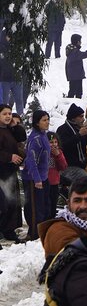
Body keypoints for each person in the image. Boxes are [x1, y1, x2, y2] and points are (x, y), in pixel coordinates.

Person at [39, 175, 87, 260]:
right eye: (77, 201)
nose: (83, 206)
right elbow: (79, 259)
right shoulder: (58, 229)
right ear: (69, 204)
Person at [21, 109, 51, 240]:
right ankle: (34, 234)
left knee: (44, 206)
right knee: (35, 208)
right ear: (37, 123)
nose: (47, 122)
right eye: (44, 120)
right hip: (33, 178)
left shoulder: (44, 135)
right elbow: (31, 160)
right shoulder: (35, 139)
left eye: (48, 119)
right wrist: (37, 179)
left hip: (43, 177)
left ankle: (40, 232)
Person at [0, 103, 25, 243]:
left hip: (10, 172)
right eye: (4, 114)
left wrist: (14, 125)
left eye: (10, 113)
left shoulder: (9, 129)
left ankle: (8, 230)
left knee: (12, 204)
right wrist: (10, 157)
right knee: (3, 204)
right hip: (1, 174)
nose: (8, 116)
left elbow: (21, 137)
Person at [57, 103, 87, 171]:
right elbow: (63, 146)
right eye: (80, 117)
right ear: (73, 118)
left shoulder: (80, 129)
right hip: (69, 167)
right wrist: (79, 135)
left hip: (82, 166)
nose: (83, 119)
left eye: (83, 116)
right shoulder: (62, 129)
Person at [64, 34, 87, 99]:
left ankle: (76, 101)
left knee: (76, 90)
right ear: (78, 42)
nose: (81, 42)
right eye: (80, 41)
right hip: (75, 76)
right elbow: (86, 54)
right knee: (75, 92)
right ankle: (72, 102)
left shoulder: (72, 50)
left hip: (74, 75)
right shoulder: (74, 52)